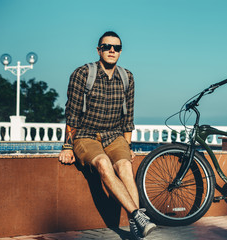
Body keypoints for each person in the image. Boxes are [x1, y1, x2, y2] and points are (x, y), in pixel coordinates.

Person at [58, 31, 156, 239]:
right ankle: (139, 216)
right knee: (103, 162)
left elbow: (128, 116)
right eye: (107, 46)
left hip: (114, 135)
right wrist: (67, 146)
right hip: (86, 135)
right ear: (99, 49)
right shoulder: (83, 74)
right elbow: (72, 114)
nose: (112, 50)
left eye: (117, 48)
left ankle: (136, 225)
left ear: (120, 51)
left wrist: (128, 147)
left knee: (125, 166)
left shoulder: (127, 77)